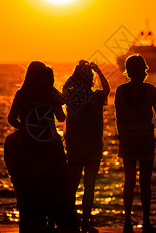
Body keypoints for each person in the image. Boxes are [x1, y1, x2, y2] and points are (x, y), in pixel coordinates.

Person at [4, 61, 78, 233]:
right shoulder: (49, 93)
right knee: (61, 195)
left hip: (26, 147)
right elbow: (61, 118)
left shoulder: (22, 93)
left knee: (27, 205)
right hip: (50, 146)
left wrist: (26, 128)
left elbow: (11, 119)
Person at [114, 54, 156, 233]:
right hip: (145, 138)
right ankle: (146, 222)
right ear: (144, 70)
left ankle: (127, 222)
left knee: (129, 182)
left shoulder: (120, 90)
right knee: (145, 183)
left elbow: (118, 117)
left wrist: (121, 136)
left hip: (128, 138)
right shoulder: (151, 90)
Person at [62, 61, 110, 233]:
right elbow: (107, 89)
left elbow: (65, 88)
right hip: (93, 149)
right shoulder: (96, 97)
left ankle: (70, 222)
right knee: (89, 188)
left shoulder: (72, 97)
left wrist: (74, 75)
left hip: (75, 149)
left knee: (71, 188)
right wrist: (97, 70)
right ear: (91, 80)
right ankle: (85, 223)